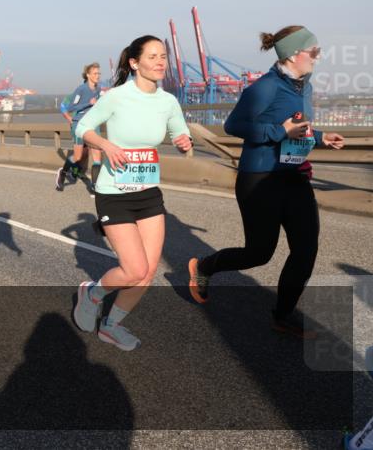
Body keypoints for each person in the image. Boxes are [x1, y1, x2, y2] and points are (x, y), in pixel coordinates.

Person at [188, 26, 345, 338]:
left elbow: (297, 127)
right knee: (259, 253)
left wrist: (320, 137)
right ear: (292, 54)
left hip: (295, 177)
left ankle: (283, 316)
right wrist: (279, 132)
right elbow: (233, 125)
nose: (318, 55)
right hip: (260, 180)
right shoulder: (265, 88)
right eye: (313, 50)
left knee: (305, 249)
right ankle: (205, 266)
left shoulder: (304, 87)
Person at [71, 35, 193, 351]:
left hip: (148, 192)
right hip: (114, 192)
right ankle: (93, 294)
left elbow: (180, 131)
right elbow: (81, 127)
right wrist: (105, 144)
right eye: (152, 56)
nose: (160, 61)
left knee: (148, 272)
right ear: (134, 63)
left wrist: (183, 142)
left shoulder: (168, 101)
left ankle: (111, 326)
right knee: (134, 268)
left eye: (163, 56)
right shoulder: (116, 97)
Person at [57, 62, 103, 195]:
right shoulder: (81, 89)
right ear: (88, 75)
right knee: (77, 157)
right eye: (95, 73)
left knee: (97, 156)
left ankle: (94, 187)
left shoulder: (98, 90)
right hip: (80, 124)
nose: (98, 76)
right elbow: (71, 107)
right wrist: (88, 103)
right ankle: (63, 172)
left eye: (99, 73)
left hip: (94, 124)